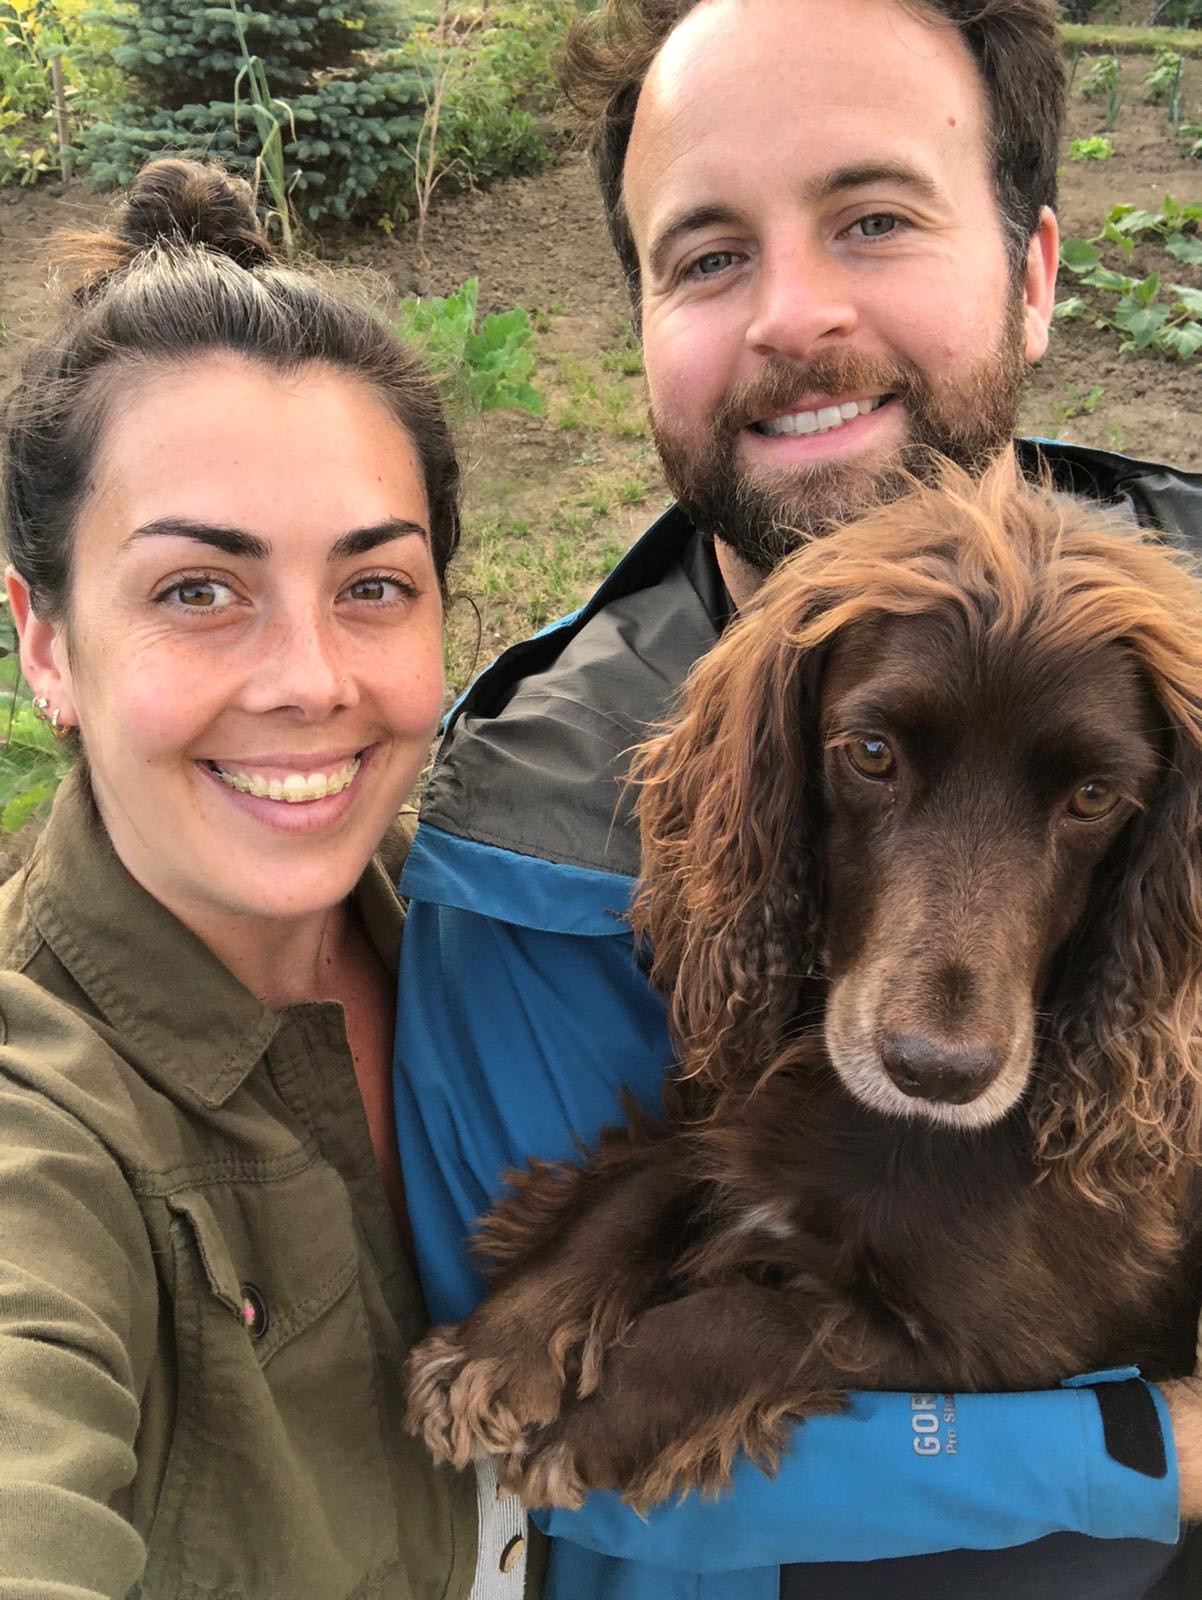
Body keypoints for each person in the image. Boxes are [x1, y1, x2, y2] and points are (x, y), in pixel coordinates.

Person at [392, 1, 1202, 1598]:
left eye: (874, 217)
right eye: (705, 255)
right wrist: (1159, 1448)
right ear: (639, 323)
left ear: (1035, 271)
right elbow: (587, 1483)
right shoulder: (516, 857)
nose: (794, 315)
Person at [0, 158, 536, 1600]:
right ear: (44, 641)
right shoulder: (36, 1127)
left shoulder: (507, 938)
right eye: (197, 591)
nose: (310, 683)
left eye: (373, 586)